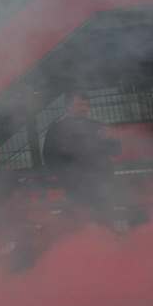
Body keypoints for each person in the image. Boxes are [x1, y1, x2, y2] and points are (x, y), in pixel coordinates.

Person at [41, 92, 121, 222]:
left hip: (101, 184)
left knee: (105, 220)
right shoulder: (57, 128)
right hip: (75, 187)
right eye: (79, 105)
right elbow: (49, 157)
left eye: (86, 105)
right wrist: (66, 178)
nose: (84, 108)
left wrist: (111, 139)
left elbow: (116, 150)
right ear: (68, 106)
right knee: (82, 221)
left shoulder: (97, 126)